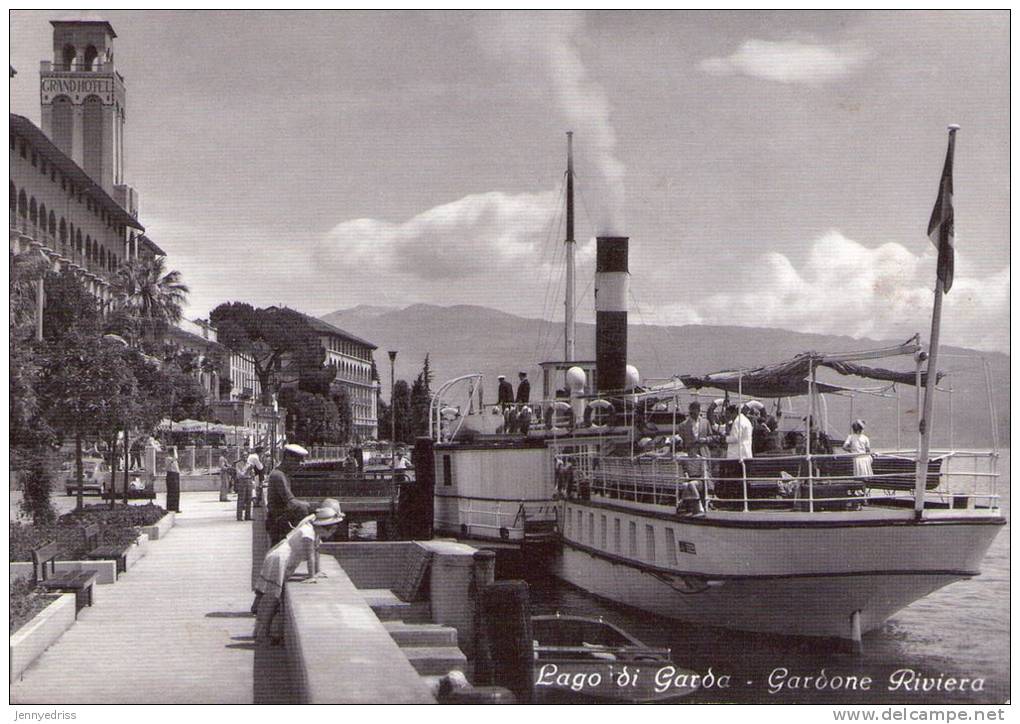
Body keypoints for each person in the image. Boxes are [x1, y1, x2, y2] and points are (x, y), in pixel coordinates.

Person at [252, 501, 345, 644]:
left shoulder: (312, 529)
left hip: (280, 559)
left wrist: (317, 572)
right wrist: (311, 575)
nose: (333, 532)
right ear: (325, 528)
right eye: (333, 529)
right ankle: (262, 634)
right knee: (272, 599)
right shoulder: (308, 533)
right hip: (279, 560)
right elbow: (310, 555)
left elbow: (316, 551)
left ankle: (260, 631)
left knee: (271, 597)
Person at [266, 444, 315, 545]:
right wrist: (312, 506)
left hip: (278, 522)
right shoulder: (279, 476)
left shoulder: (283, 474)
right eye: (297, 461)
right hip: (278, 524)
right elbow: (291, 502)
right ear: (288, 458)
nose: (299, 465)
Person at [165, 446, 181, 513]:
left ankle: (176, 508)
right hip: (171, 475)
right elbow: (176, 457)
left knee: (176, 492)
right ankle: (170, 508)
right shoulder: (168, 458)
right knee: (171, 492)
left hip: (176, 475)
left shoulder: (173, 460)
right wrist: (175, 449)